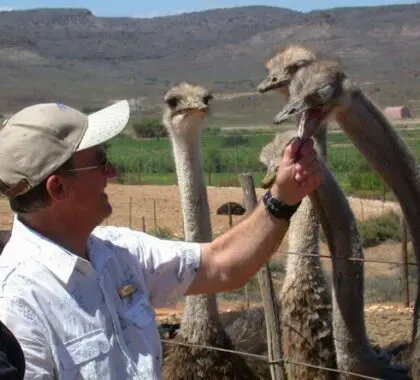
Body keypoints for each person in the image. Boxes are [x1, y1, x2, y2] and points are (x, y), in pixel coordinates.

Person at [0, 100, 322, 379]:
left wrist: (282, 198)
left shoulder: (117, 254)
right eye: (100, 162)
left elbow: (222, 264)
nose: (111, 172)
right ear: (58, 188)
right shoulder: (16, 306)